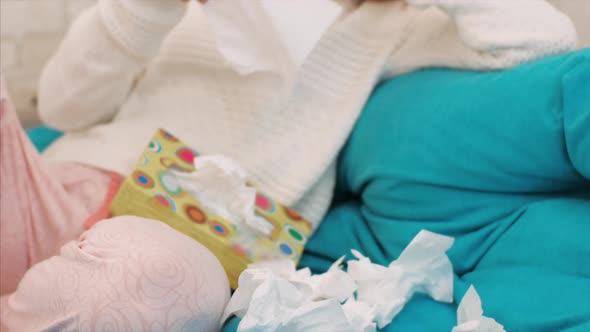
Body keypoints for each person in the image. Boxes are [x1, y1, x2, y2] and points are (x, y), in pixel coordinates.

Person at [0, 0, 576, 331]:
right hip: (49, 195)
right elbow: (59, 106)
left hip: (179, 243)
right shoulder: (191, 14)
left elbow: (544, 45)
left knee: (145, 282)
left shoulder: (390, 26)